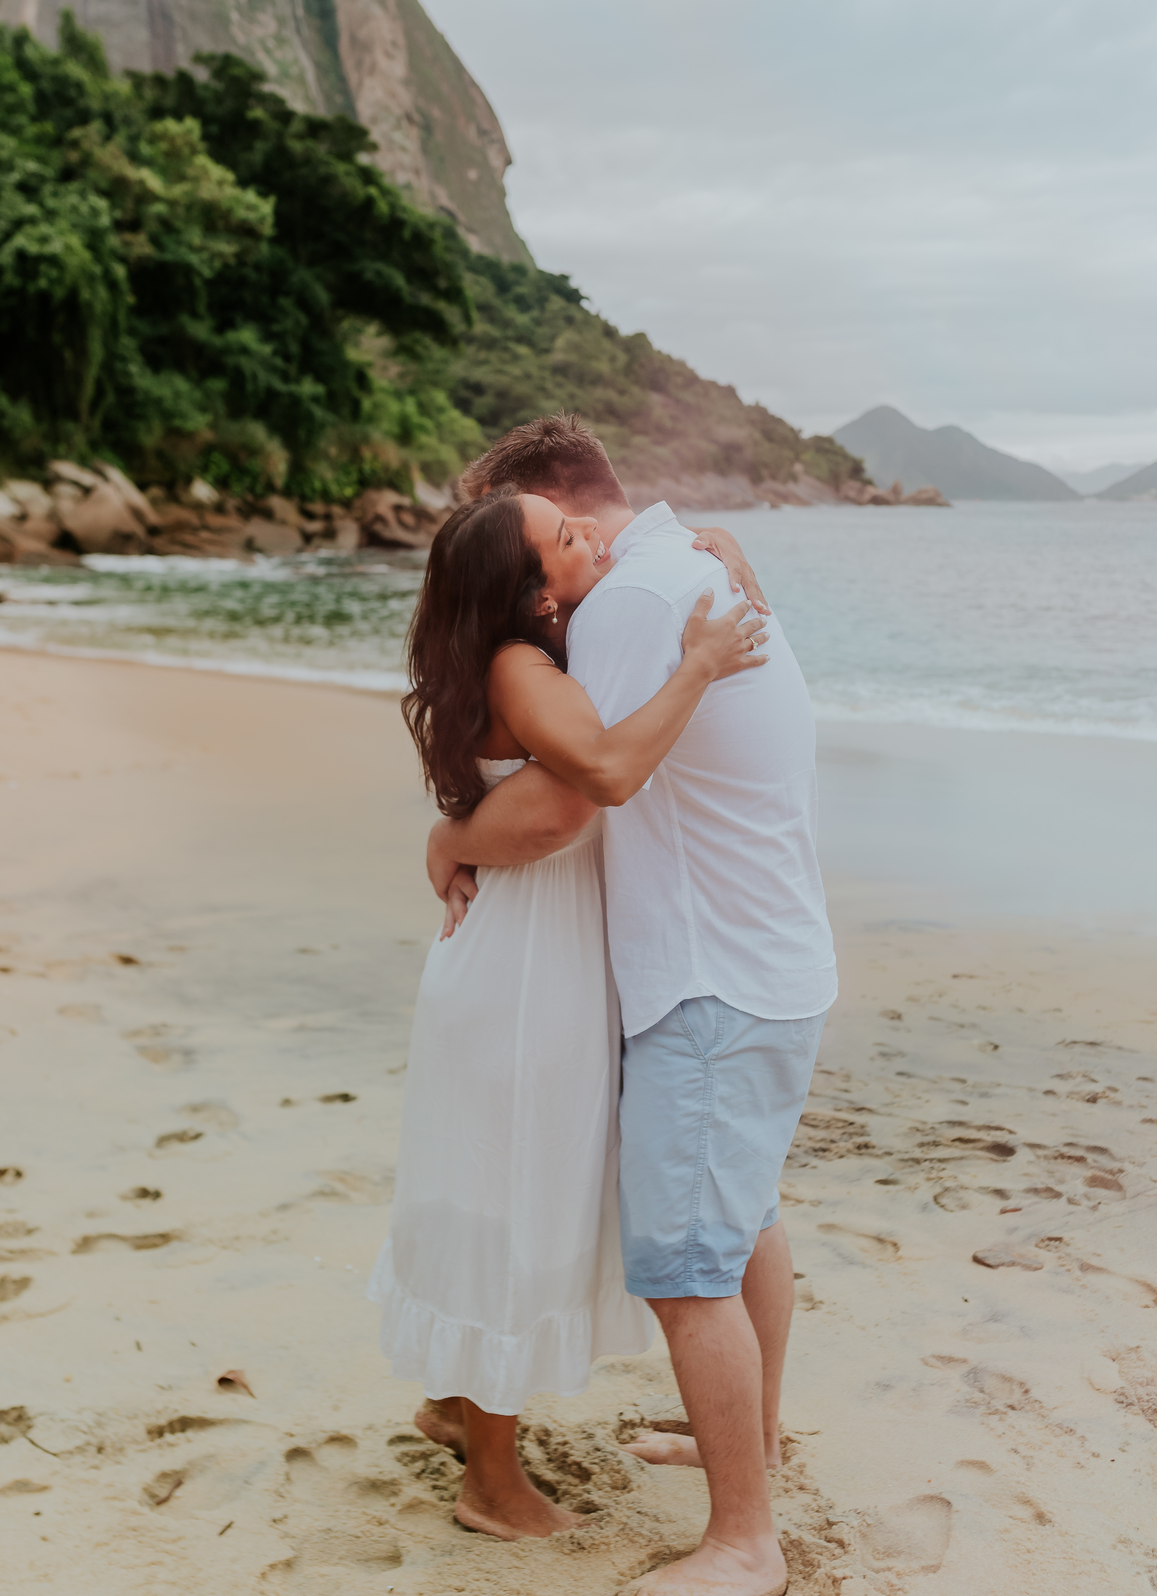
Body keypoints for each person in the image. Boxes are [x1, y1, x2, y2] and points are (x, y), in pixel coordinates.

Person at [428, 414, 838, 1596]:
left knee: (685, 1267)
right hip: (773, 958)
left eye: (555, 532)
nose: (568, 563)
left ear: (566, 510)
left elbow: (574, 799)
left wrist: (445, 836)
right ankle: (750, 1447)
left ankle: (742, 1539)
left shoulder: (629, 602)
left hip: (710, 971)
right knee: (743, 1216)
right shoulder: (688, 568)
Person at [368, 483, 769, 1542]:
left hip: (514, 957)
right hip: (523, 977)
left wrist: (710, 551)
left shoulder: (530, 657)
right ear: (533, 590)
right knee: (513, 1200)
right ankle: (492, 1486)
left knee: (486, 1186)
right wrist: (698, 664)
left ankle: (456, 1405)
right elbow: (598, 775)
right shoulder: (521, 665)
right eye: (563, 536)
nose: (588, 534)